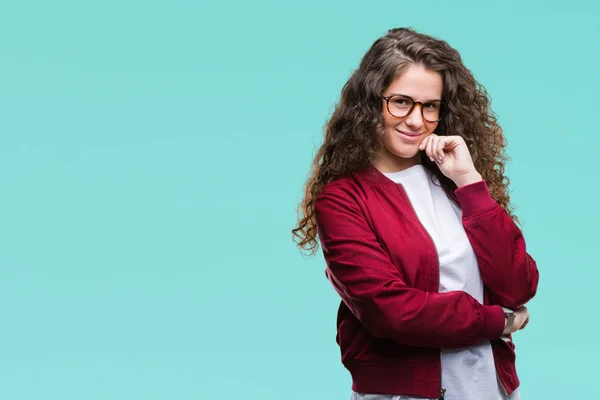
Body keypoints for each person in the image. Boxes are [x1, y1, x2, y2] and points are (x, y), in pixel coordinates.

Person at [292, 27, 539, 400]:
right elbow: (392, 311)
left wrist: (470, 182)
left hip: (491, 388)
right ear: (372, 102)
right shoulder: (344, 199)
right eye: (401, 102)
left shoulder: (456, 185)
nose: (415, 121)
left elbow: (518, 283)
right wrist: (497, 321)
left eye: (430, 106)